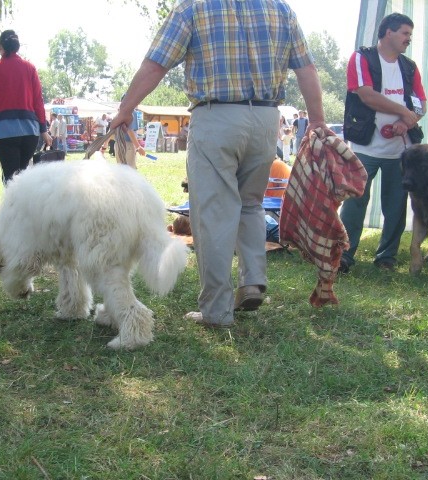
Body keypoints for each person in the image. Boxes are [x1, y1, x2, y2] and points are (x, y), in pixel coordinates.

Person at [110, 0, 326, 328]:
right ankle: (252, 279)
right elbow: (306, 69)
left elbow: (157, 64)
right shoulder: (279, 9)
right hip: (267, 117)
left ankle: (216, 310)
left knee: (213, 214)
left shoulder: (193, 7)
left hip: (216, 116)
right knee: (251, 204)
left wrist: (127, 108)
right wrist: (318, 123)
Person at [339, 12, 427, 274]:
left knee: (396, 205)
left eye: (410, 35)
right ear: (388, 32)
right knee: (355, 202)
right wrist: (402, 111)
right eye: (405, 33)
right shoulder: (361, 58)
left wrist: (407, 122)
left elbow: (421, 103)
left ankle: (387, 256)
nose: (408, 39)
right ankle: (345, 254)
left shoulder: (409, 67)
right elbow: (366, 95)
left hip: (401, 150)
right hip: (366, 147)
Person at [0, 30, 49, 182]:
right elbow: (38, 101)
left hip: (5, 130)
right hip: (30, 131)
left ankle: (13, 205)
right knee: (23, 174)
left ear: (1, 46)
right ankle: (24, 204)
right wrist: (43, 130)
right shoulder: (30, 67)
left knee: (10, 176)